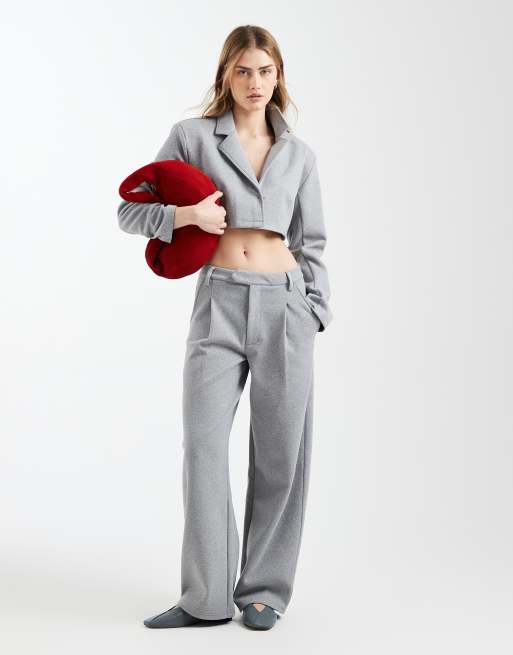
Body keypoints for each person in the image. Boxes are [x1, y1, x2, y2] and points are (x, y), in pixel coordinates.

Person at [117, 25, 333, 631]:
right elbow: (129, 209)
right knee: (204, 446)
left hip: (285, 306)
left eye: (265, 71)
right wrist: (186, 215)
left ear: (278, 76)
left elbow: (311, 241)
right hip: (218, 302)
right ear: (226, 76)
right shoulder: (192, 137)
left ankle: (264, 590)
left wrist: (314, 308)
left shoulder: (299, 155)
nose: (254, 82)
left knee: (281, 454)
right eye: (243, 71)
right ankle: (205, 598)